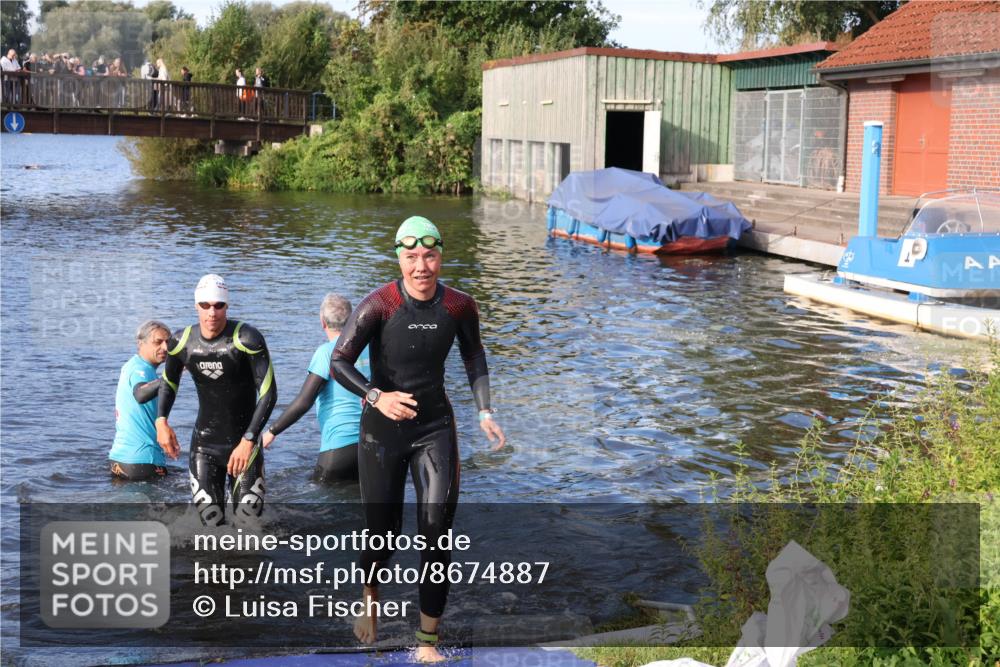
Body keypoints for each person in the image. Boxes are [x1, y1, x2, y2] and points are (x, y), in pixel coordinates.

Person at [331, 216, 506, 662]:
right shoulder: (379, 305)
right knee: (382, 533)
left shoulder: (460, 306)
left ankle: (428, 640)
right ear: (400, 259)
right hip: (382, 431)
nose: (421, 267)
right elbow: (339, 361)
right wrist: (376, 395)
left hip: (434, 428)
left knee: (436, 531)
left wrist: (484, 410)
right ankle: (370, 599)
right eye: (411, 257)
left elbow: (474, 354)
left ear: (440, 256)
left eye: (429, 256)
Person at [155, 274, 277, 527]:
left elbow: (269, 393)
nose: (212, 313)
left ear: (227, 306)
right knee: (211, 529)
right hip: (204, 447)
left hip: (245, 446)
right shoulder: (180, 343)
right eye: (205, 305)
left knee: (249, 530)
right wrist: (161, 421)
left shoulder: (247, 339)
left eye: (219, 305)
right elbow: (169, 383)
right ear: (196, 305)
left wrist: (249, 440)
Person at [262, 294, 369, 482]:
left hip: (338, 448)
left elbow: (304, 401)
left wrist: (272, 432)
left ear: (322, 322)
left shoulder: (326, 353)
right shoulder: (370, 349)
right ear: (352, 320)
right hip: (372, 448)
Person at [109, 321, 171, 481]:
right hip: (144, 461)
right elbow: (140, 394)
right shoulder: (140, 369)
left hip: (119, 461)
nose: (165, 347)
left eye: (168, 342)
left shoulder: (132, 365)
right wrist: (171, 375)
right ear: (141, 343)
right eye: (158, 342)